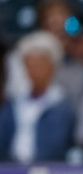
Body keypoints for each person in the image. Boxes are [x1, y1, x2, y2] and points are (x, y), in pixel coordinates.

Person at [0, 31, 74, 163]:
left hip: (47, 172)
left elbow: (55, 147)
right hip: (9, 171)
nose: (33, 71)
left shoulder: (63, 106)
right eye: (29, 65)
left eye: (39, 65)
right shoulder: (14, 103)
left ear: (52, 67)